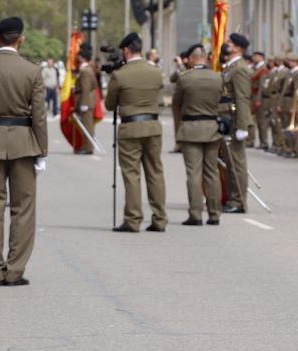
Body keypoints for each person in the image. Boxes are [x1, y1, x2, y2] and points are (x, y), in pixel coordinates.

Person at [0, 17, 47, 286]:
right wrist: (42, 151)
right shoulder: (32, 70)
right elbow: (39, 116)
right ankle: (15, 270)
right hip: (24, 144)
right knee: (23, 208)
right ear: (21, 39)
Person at [105, 32, 167, 233]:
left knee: (132, 175)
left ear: (125, 51)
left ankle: (132, 219)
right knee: (155, 173)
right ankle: (159, 218)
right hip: (153, 126)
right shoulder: (155, 72)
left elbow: (109, 105)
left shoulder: (120, 75)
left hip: (130, 127)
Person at [172, 45, 223, 226]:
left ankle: (195, 213)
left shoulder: (185, 79)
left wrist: (177, 130)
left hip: (190, 128)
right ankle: (215, 213)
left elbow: (176, 105)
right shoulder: (218, 78)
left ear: (192, 60)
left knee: (194, 173)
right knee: (212, 172)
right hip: (212, 128)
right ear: (206, 58)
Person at [222, 33, 253, 213]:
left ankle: (239, 201)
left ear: (238, 48)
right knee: (230, 161)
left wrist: (242, 126)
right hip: (229, 119)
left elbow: (242, 98)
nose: (227, 45)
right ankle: (233, 198)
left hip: (236, 120)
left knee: (237, 163)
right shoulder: (232, 66)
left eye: (230, 43)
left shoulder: (239, 68)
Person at [73, 45, 98, 154]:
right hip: (87, 100)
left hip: (86, 101)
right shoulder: (87, 69)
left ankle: (89, 148)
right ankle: (87, 146)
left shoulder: (85, 71)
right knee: (86, 125)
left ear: (82, 58)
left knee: (87, 125)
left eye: (79, 56)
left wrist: (84, 103)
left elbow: (86, 88)